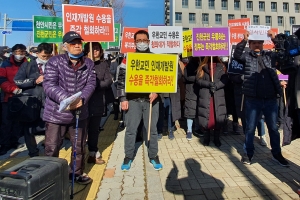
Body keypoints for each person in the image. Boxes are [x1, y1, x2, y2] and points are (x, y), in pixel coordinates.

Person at [43, 31, 96, 184]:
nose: (77, 45)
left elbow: (91, 83)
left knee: (78, 147)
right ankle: (49, 177)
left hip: (80, 113)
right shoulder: (55, 61)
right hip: (56, 114)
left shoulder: (88, 63)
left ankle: (76, 173)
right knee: (52, 148)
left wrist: (82, 98)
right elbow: (49, 84)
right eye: (73, 43)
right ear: (65, 46)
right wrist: (66, 99)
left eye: (79, 42)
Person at [233, 30, 289, 166]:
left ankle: (277, 154)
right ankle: (248, 154)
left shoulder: (270, 56)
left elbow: (283, 56)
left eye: (259, 42)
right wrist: (244, 40)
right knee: (250, 128)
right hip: (253, 99)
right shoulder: (246, 56)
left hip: (270, 99)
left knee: (273, 129)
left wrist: (274, 39)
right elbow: (237, 54)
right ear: (250, 45)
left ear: (263, 44)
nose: (257, 45)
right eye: (254, 43)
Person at [117, 30, 162, 171]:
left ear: (149, 42)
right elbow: (121, 80)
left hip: (151, 101)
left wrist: (157, 91)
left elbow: (162, 79)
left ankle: (153, 155)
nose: (142, 42)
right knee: (131, 130)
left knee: (152, 130)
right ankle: (128, 156)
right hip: (133, 100)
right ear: (134, 42)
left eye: (144, 40)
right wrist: (123, 98)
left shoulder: (156, 58)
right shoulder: (128, 59)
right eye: (139, 40)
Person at [14, 43, 52, 157]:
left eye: (48, 56)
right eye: (43, 56)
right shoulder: (27, 65)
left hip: (48, 101)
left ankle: (48, 149)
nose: (45, 59)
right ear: (38, 53)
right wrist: (34, 81)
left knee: (49, 127)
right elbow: (17, 81)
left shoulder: (53, 65)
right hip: (31, 103)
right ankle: (33, 152)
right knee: (29, 129)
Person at [83, 42, 112, 165]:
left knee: (94, 130)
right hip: (82, 102)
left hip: (98, 101)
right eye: (92, 49)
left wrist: (96, 85)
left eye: (97, 49)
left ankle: (93, 153)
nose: (95, 51)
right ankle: (78, 158)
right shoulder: (81, 63)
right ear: (87, 51)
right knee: (81, 131)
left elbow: (108, 80)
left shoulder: (103, 64)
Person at [0, 44, 27, 155]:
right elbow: (1, 79)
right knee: (6, 122)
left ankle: (14, 141)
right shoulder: (5, 64)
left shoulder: (28, 64)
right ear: (13, 52)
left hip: (23, 97)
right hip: (8, 97)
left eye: (21, 52)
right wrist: (13, 89)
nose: (19, 55)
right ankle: (4, 144)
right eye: (17, 52)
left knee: (18, 122)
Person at [196, 56, 228, 147]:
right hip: (206, 95)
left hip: (217, 96)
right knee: (207, 117)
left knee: (217, 117)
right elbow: (198, 80)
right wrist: (209, 84)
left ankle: (217, 138)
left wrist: (217, 85)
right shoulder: (202, 66)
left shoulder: (222, 67)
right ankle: (206, 138)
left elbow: (225, 80)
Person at [183, 56, 200, 140]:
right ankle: (189, 130)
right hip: (190, 92)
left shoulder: (201, 65)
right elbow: (187, 77)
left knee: (197, 111)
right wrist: (198, 78)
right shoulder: (188, 66)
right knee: (190, 112)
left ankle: (197, 128)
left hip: (199, 92)